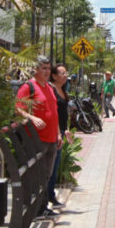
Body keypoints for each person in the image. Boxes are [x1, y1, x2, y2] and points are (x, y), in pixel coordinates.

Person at [17, 56, 60, 217]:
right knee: (35, 174)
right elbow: (19, 108)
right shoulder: (28, 87)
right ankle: (32, 208)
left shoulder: (49, 88)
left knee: (46, 175)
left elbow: (54, 112)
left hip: (51, 139)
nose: (47, 71)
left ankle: (42, 207)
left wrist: (58, 134)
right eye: (43, 68)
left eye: (48, 68)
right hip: (36, 139)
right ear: (35, 70)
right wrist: (33, 118)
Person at [48, 64, 71, 207]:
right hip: (54, 132)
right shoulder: (51, 90)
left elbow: (63, 114)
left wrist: (66, 129)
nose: (65, 75)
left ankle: (51, 195)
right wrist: (58, 133)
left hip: (61, 131)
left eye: (66, 72)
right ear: (54, 75)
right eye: (62, 73)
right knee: (51, 166)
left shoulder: (63, 89)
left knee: (55, 166)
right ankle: (48, 196)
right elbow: (53, 113)